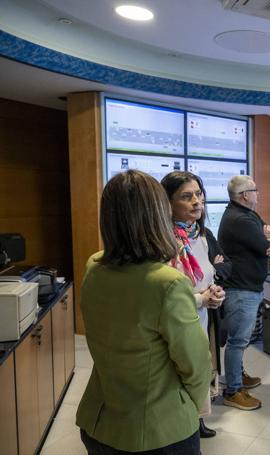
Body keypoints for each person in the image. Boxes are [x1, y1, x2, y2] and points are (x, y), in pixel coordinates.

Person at [76, 170, 211, 454]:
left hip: (100, 419)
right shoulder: (167, 282)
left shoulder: (94, 265)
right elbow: (196, 365)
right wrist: (191, 407)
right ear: (158, 215)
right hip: (157, 431)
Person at [161, 171, 231, 438]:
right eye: (187, 197)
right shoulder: (163, 241)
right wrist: (201, 298)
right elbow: (164, 293)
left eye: (199, 195)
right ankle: (183, 430)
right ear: (167, 203)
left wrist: (214, 293)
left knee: (200, 372)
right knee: (178, 377)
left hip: (201, 318)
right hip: (176, 323)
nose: (196, 202)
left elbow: (208, 275)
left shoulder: (200, 236)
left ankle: (196, 423)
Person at [218, 175, 270, 410]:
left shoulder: (247, 214)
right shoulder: (240, 219)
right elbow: (268, 248)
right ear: (245, 195)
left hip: (247, 286)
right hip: (241, 289)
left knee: (240, 340)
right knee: (238, 341)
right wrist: (269, 241)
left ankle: (238, 375)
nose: (258, 193)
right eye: (255, 190)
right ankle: (233, 391)